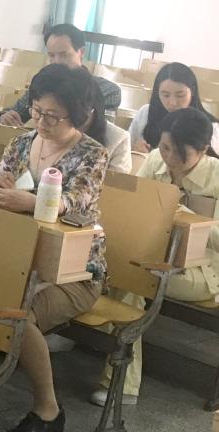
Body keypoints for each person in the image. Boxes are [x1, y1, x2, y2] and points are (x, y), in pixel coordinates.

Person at [0, 63, 108, 432]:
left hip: (74, 271)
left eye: (53, 116)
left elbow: (74, 201)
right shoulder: (22, 142)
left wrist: (31, 201)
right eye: (37, 110)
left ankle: (48, 412)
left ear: (78, 115)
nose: (41, 121)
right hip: (20, 256)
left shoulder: (92, 154)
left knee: (18, 314)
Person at [94, 107, 219, 407]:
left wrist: (186, 218)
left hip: (205, 269)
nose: (170, 158)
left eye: (181, 153)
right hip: (155, 254)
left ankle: (121, 382)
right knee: (126, 270)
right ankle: (120, 378)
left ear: (203, 149)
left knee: (134, 279)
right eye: (165, 147)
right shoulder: (154, 160)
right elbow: (136, 206)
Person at [0, 24, 121, 127]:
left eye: (64, 55)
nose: (57, 62)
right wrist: (6, 116)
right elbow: (14, 111)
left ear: (81, 52)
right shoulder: (43, 84)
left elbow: (103, 134)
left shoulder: (107, 90)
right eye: (52, 55)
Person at [127, 62, 219, 154]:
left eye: (180, 95)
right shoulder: (146, 113)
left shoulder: (211, 126)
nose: (172, 103)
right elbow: (127, 148)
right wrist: (135, 150)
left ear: (193, 91)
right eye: (165, 95)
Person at [76, 69, 132, 174]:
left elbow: (116, 182)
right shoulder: (52, 128)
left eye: (82, 111)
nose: (75, 117)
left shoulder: (119, 139)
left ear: (96, 109)